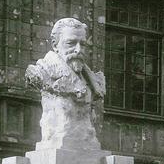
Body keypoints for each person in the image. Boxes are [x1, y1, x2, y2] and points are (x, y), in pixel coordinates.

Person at [25, 17, 106, 145]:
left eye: (82, 44)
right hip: (58, 141)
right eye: (71, 43)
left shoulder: (92, 80)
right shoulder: (42, 72)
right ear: (55, 45)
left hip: (86, 144)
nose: (78, 50)